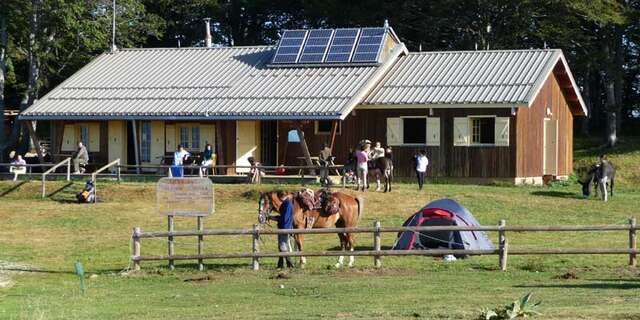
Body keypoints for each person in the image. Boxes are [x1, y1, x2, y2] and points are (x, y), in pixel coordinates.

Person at [269, 191, 295, 269]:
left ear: (281, 197)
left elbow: (284, 218)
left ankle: (289, 263)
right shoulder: (286, 203)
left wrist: (273, 218)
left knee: (282, 246)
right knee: (281, 246)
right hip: (283, 227)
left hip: (285, 227)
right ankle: (281, 264)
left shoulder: (287, 204)